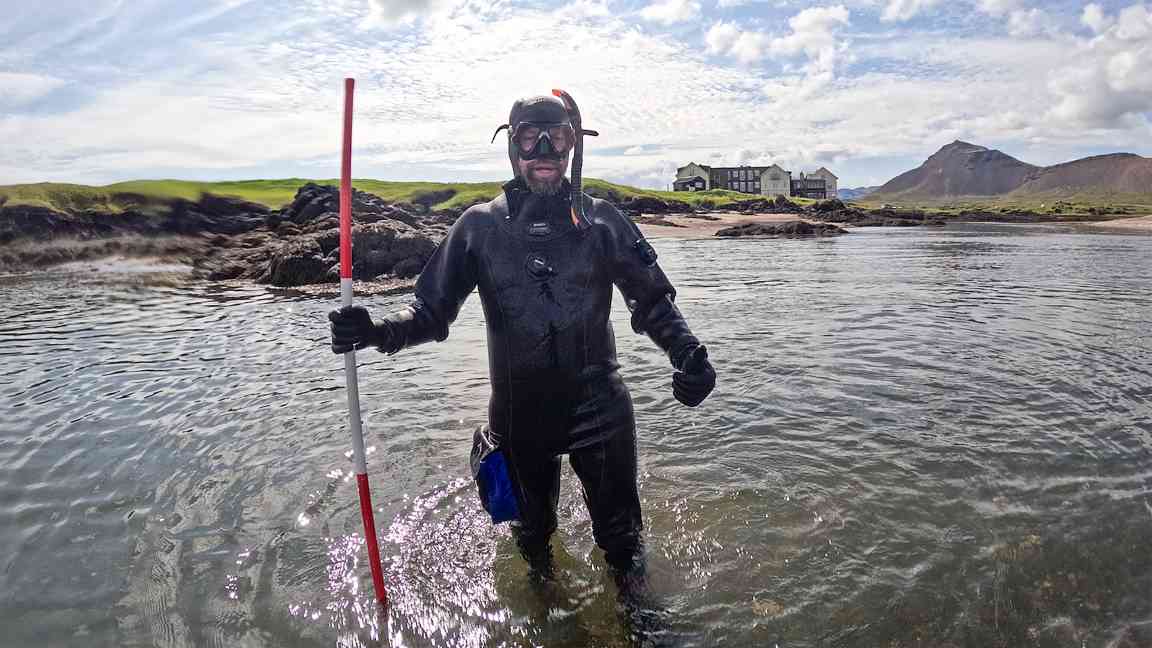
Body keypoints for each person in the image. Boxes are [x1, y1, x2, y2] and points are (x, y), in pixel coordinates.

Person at [329, 93, 716, 585]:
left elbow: (653, 302)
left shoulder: (602, 222)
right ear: (513, 147)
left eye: (558, 137)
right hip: (519, 416)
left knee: (623, 540)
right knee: (531, 539)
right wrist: (377, 331)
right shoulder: (479, 228)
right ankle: (545, 612)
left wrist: (688, 354)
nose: (545, 150)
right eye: (531, 138)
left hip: (600, 410)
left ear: (573, 144)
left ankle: (636, 616)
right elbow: (431, 311)